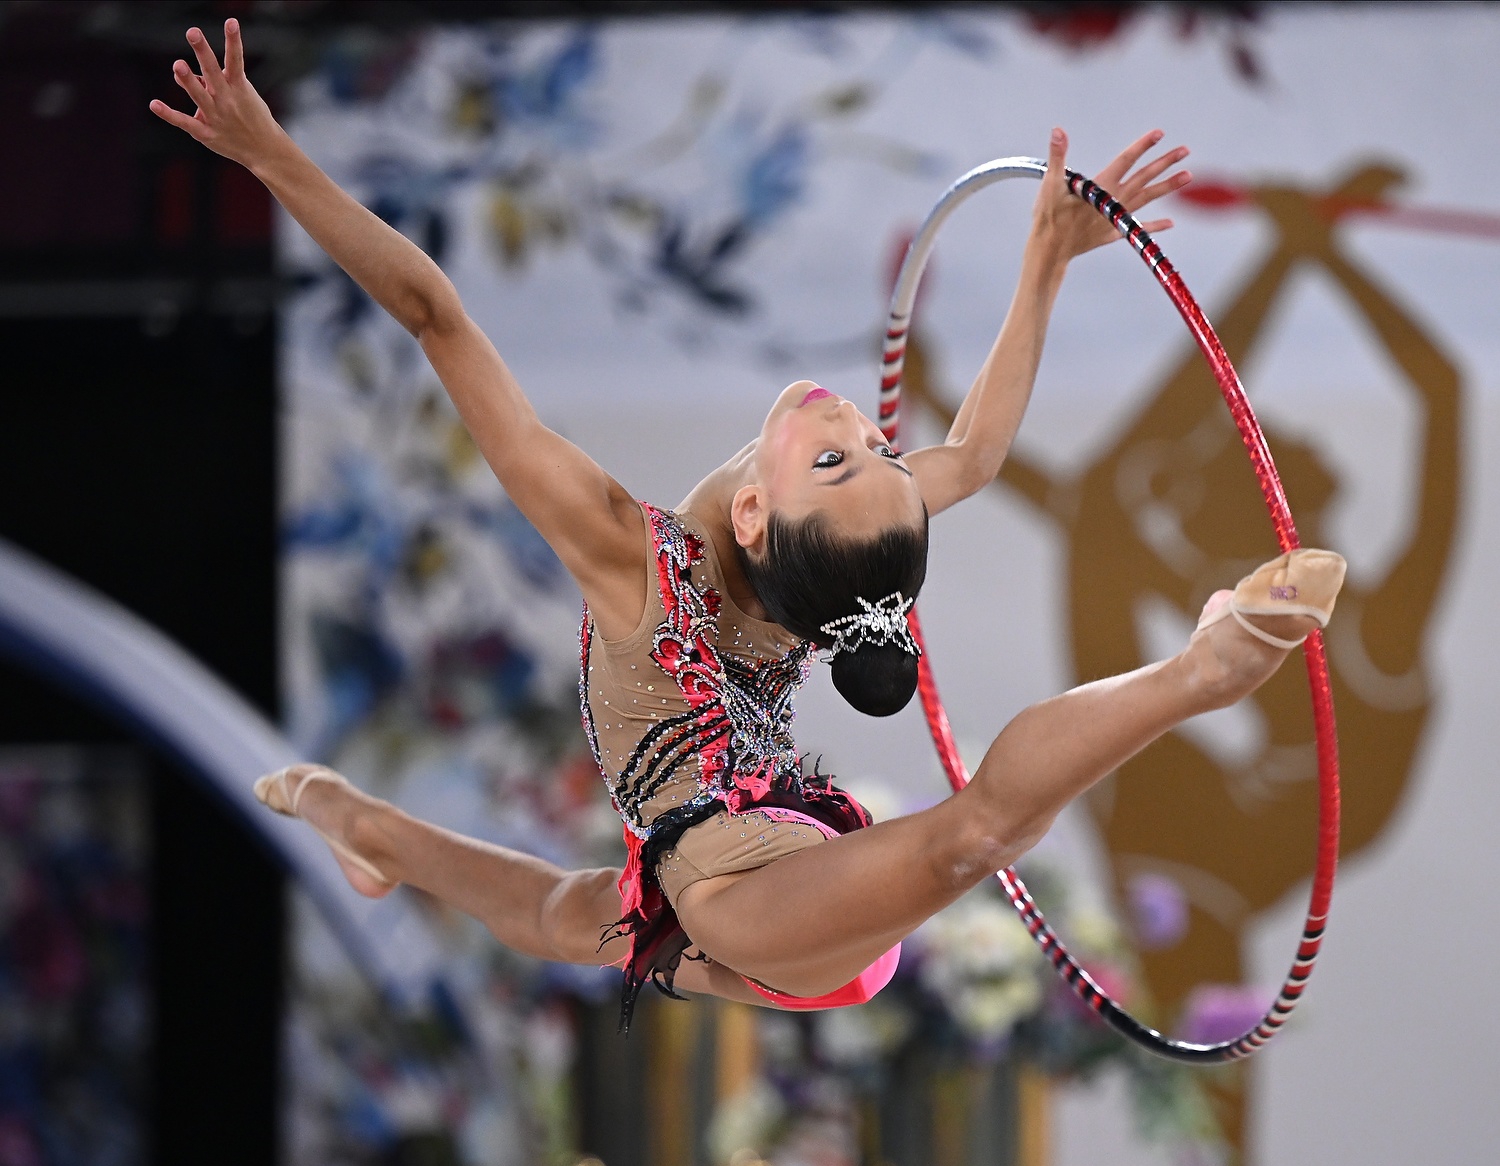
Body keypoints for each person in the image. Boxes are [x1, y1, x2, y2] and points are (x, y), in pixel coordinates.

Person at [154, 20, 1347, 1025]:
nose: (857, 422)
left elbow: (436, 314)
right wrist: (1042, 258)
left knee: (961, 833)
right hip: (757, 865)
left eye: (846, 454)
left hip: (755, 892)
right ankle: (362, 823)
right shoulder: (794, 550)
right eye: (873, 448)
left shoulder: (631, 553)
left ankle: (1206, 666)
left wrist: (271, 158)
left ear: (766, 513)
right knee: (575, 912)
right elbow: (975, 452)